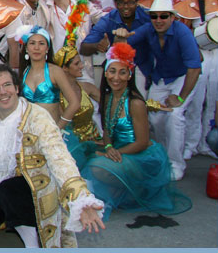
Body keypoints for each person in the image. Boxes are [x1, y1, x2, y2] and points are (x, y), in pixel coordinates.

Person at [0, 63, 105, 248]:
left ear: (17, 88)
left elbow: (59, 158)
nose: (3, 92)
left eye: (7, 85)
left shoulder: (38, 117)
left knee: (8, 189)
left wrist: (80, 196)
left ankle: (32, 245)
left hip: (36, 188)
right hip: (0, 184)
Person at [79, 43, 192, 219]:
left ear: (129, 75)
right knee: (82, 152)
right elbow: (107, 129)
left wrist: (113, 153)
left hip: (140, 156)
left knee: (96, 167)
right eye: (112, 71)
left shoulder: (135, 103)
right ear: (106, 73)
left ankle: (126, 190)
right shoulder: (107, 97)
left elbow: (142, 142)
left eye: (122, 72)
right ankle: (117, 187)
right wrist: (108, 146)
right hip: (118, 151)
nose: (116, 77)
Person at [115, 0, 202, 180]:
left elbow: (194, 68)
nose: (158, 20)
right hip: (161, 78)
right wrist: (119, 37)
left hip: (183, 78)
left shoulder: (183, 33)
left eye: (163, 16)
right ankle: (163, 157)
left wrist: (180, 97)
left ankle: (176, 164)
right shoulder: (148, 29)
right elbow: (122, 45)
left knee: (175, 117)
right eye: (154, 16)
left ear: (173, 17)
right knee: (154, 118)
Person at [174, 0, 218, 158]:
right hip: (200, 55)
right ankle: (191, 144)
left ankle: (206, 143)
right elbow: (183, 31)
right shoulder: (189, 3)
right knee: (195, 102)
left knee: (214, 101)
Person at [80, 0, 152, 97]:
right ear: (115, 4)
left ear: (137, 1)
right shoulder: (108, 19)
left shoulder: (147, 17)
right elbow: (84, 48)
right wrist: (97, 46)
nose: (126, 7)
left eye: (130, 2)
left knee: (139, 103)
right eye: (121, 3)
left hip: (142, 67)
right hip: (118, 69)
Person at [16, 26, 80, 127]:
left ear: (47, 48)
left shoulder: (55, 71)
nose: (36, 48)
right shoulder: (24, 72)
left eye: (41, 43)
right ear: (26, 48)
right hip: (29, 134)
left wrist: (58, 128)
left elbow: (75, 103)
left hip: (51, 132)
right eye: (32, 43)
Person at [53, 45, 103, 167]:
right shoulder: (56, 95)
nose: (82, 66)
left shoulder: (87, 87)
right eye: (77, 64)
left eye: (80, 62)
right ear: (64, 68)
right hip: (72, 147)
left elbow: (109, 105)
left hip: (95, 143)